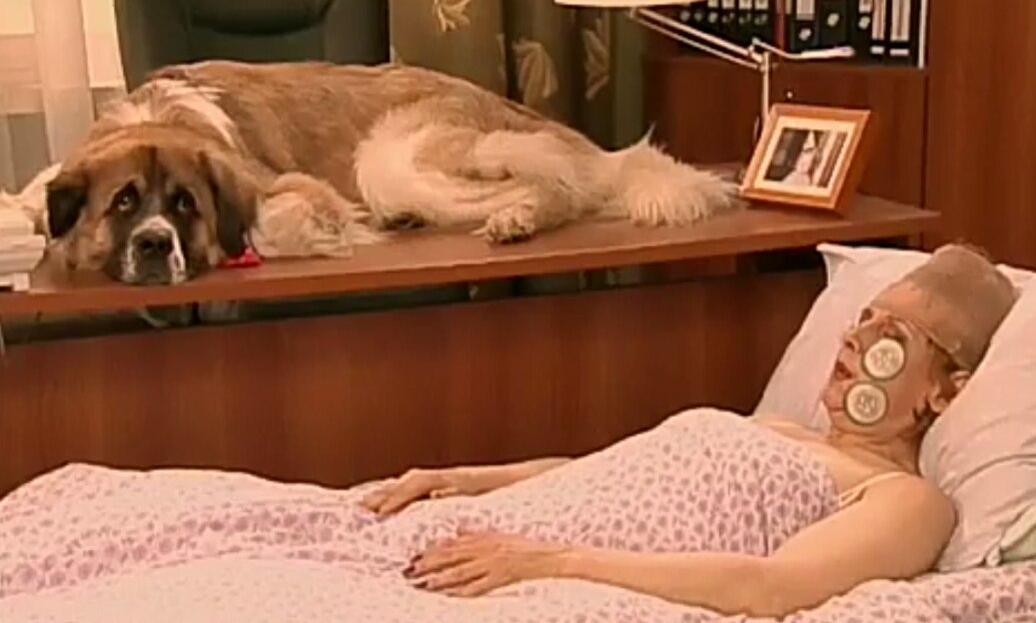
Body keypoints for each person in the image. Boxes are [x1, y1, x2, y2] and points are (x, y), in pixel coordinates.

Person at [361, 243, 1017, 617]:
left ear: (946, 390)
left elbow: (771, 587)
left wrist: (550, 561)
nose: (855, 339)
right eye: (863, 319)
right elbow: (605, 470)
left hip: (553, 572)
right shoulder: (781, 427)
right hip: (499, 534)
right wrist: (467, 479)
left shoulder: (906, 500)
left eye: (891, 337)